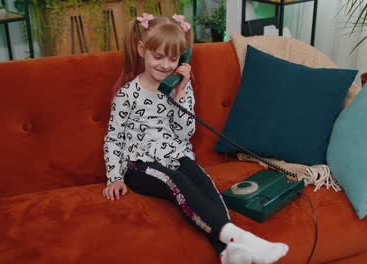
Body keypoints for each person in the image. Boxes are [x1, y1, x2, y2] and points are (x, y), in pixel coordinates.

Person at [102, 13, 289, 264]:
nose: (166, 65)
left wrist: (180, 92)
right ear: (141, 50)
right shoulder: (128, 95)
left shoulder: (181, 87)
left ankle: (225, 253)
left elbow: (185, 132)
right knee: (174, 180)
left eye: (174, 58)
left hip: (175, 156)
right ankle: (238, 236)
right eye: (158, 57)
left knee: (204, 182)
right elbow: (113, 139)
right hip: (140, 166)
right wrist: (114, 176)